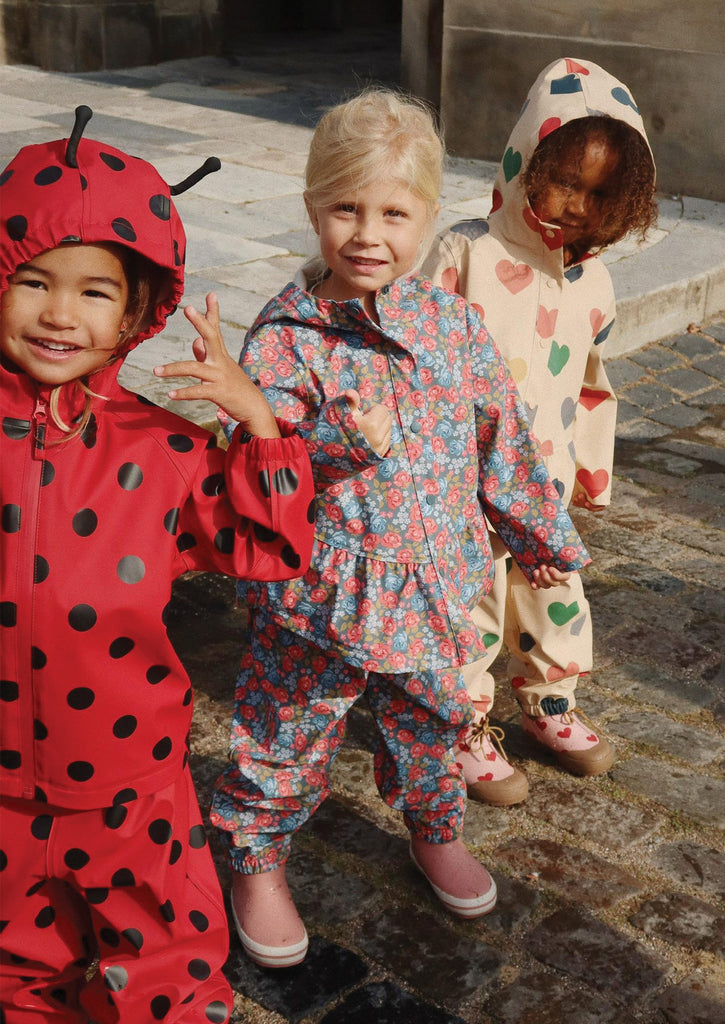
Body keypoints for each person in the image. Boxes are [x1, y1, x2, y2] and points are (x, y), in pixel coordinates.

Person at [209, 88, 590, 970]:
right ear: (313, 209)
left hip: (432, 585)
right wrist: (338, 441)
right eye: (345, 208)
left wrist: (540, 541)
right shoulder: (285, 336)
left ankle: (435, 829)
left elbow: (503, 440)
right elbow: (254, 471)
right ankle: (258, 860)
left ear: (428, 217)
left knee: (433, 720)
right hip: (320, 594)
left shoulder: (453, 327)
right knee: (285, 728)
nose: (368, 234)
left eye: (394, 211)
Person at [0, 108, 317, 1022]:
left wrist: (257, 421)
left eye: (96, 291)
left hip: (130, 787)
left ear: (139, 309)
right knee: (19, 969)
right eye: (32, 281)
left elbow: (269, 546)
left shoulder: (164, 450)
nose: (60, 313)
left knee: (168, 964)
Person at [423, 57, 657, 804]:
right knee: (470, 600)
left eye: (596, 194)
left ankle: (549, 701)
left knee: (553, 592)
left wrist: (590, 472)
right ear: (527, 158)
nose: (574, 205)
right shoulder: (468, 252)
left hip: (544, 479)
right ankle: (458, 720)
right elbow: (420, 360)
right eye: (562, 179)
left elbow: (590, 382)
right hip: (463, 480)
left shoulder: (593, 281)